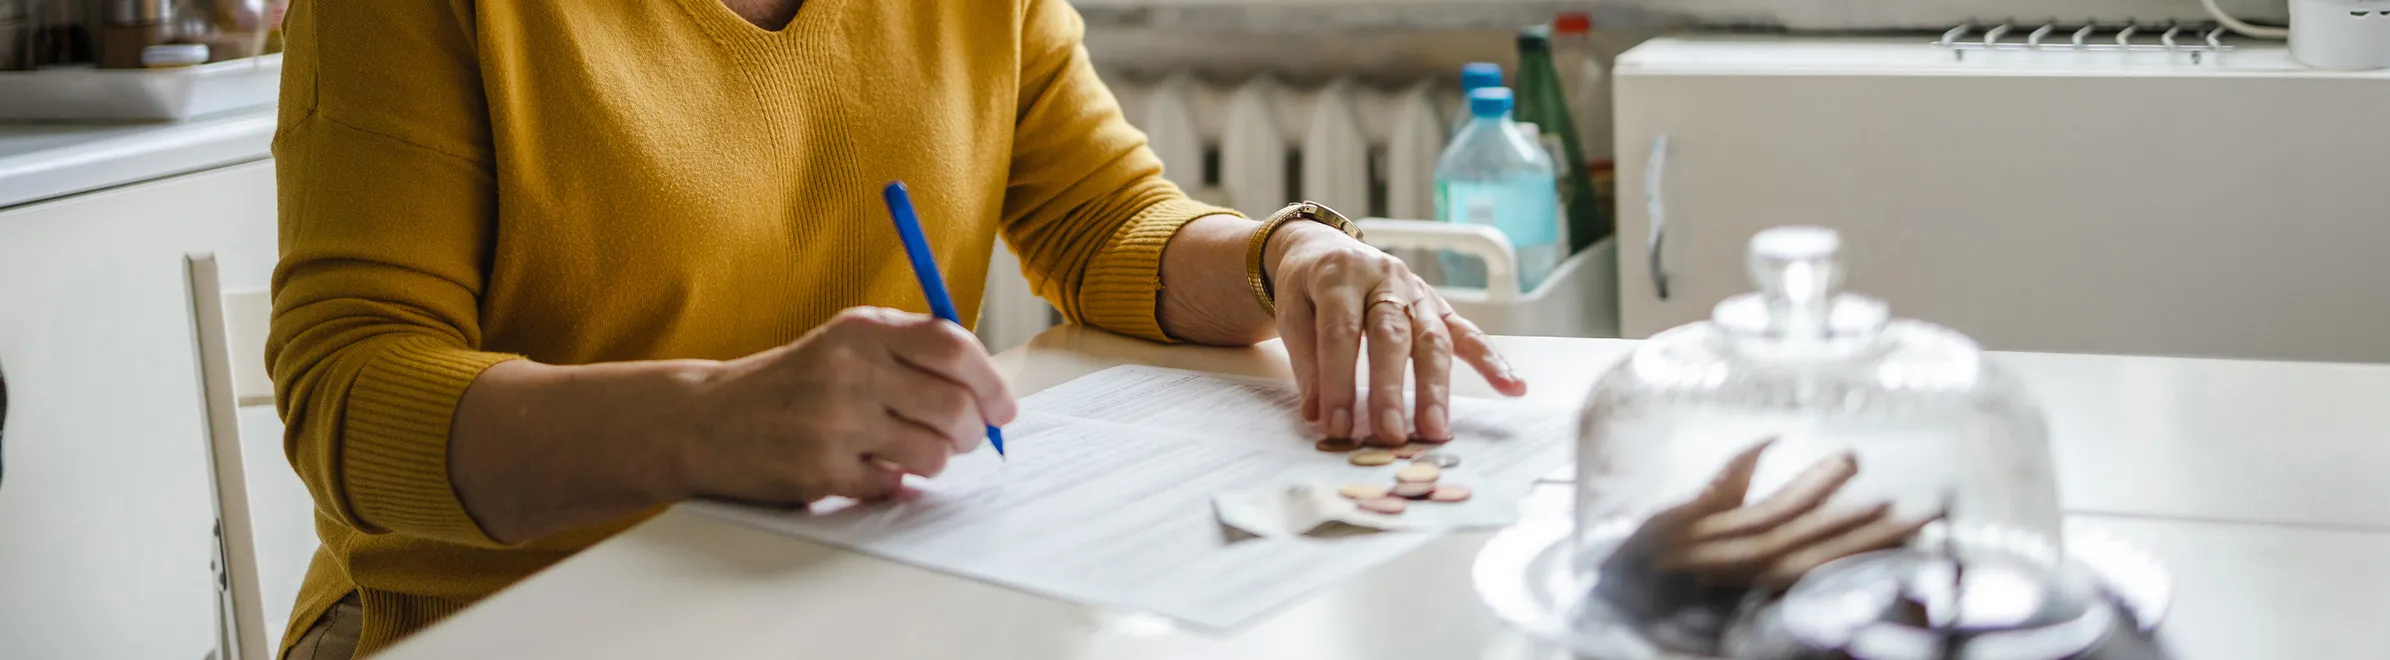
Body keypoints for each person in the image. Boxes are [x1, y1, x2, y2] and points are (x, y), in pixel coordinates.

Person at [264, 1, 1523, 656]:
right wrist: (702, 422)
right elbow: (350, 398)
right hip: (503, 624)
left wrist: (1285, 252)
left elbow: (1104, 223)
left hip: (839, 603)